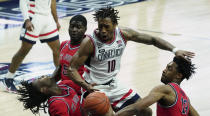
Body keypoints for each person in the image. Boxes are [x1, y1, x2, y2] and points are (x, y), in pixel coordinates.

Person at [67, 6, 195, 115]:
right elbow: (71, 68)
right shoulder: (90, 42)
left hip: (114, 85)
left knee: (146, 111)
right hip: (94, 88)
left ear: (115, 25)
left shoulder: (123, 34)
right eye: (100, 27)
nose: (103, 31)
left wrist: (175, 50)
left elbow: (153, 40)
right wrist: (86, 86)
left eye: (107, 27)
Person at [3, 0, 60, 92]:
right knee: (23, 51)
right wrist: (27, 19)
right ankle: (8, 79)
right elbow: (23, 1)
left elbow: (52, 2)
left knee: (58, 50)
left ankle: (60, 78)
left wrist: (56, 20)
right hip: (34, 18)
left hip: (48, 19)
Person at [115, 57, 199, 116]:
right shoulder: (185, 99)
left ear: (178, 75)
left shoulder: (165, 89)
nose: (164, 70)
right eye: (166, 67)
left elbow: (136, 108)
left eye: (169, 69)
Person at [17, 75, 114, 116]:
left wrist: (90, 88)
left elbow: (85, 91)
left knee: (102, 99)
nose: (42, 76)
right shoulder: (56, 104)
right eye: (39, 79)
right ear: (44, 89)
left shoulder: (66, 84)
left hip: (91, 111)